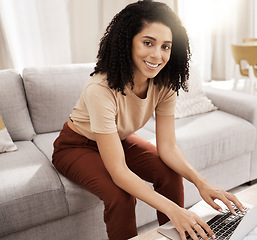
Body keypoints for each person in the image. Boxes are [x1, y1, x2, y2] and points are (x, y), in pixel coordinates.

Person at [52, 1, 244, 239]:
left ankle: (178, 235)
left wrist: (202, 182)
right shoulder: (100, 89)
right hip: (75, 146)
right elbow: (119, 171)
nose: (157, 55)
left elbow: (168, 147)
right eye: (148, 43)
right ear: (127, 41)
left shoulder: (164, 84)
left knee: (169, 172)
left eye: (166, 46)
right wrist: (175, 210)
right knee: (120, 195)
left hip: (117, 140)